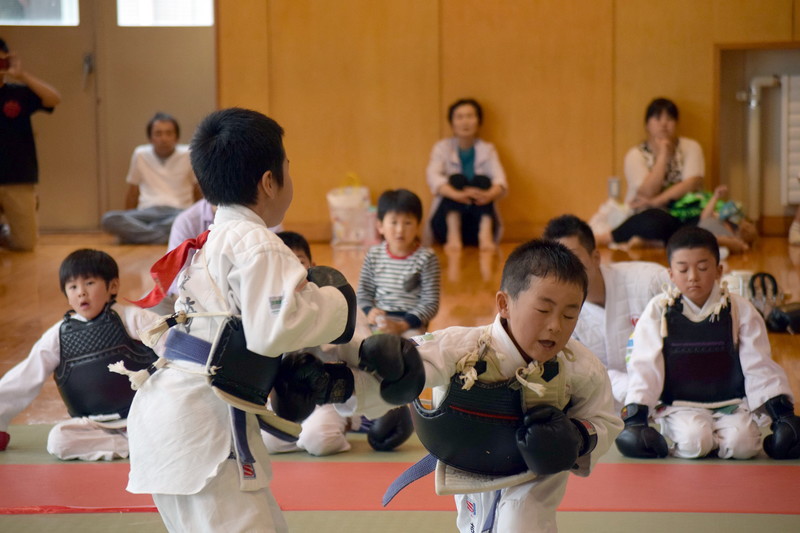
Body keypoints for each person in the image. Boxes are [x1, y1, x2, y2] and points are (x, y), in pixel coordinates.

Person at [125, 108, 423, 533]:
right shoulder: (256, 244)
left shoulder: (211, 243)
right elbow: (274, 331)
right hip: (204, 436)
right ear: (270, 181)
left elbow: (250, 338)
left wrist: (342, 381)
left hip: (171, 425)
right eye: (288, 168)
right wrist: (335, 304)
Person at [399, 240, 622, 532]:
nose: (556, 325)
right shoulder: (465, 346)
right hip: (472, 461)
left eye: (569, 315)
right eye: (544, 310)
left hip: (538, 469)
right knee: (476, 527)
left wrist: (579, 437)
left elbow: (604, 420)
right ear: (504, 304)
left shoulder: (581, 367)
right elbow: (418, 359)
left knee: (519, 522)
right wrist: (393, 362)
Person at [617, 226, 800, 460]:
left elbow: (758, 364)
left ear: (719, 270)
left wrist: (781, 414)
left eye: (703, 267)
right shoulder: (658, 310)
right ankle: (707, 438)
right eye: (683, 269)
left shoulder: (739, 309)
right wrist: (635, 418)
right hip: (680, 404)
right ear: (671, 274)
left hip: (731, 402)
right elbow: (645, 366)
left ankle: (721, 437)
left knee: (743, 446)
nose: (693, 276)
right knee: (696, 442)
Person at [262, 230, 415, 456]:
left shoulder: (336, 301)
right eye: (284, 265)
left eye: (299, 263)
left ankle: (352, 420)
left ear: (313, 265)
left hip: (331, 397)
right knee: (267, 442)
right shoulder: (266, 308)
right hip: (288, 398)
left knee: (318, 441)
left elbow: (364, 351)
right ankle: (318, 429)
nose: (293, 272)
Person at [0, 249, 162, 460]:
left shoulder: (132, 318)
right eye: (73, 286)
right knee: (58, 440)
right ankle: (134, 444)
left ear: (112, 286)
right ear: (66, 295)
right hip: (94, 424)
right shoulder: (58, 334)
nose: (81, 292)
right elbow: (25, 376)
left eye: (89, 283)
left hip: (144, 413)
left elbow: (175, 347)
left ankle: (146, 438)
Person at [543, 214, 670, 409]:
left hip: (671, 397)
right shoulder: (555, 316)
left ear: (595, 257)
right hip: (608, 409)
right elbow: (585, 372)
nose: (567, 269)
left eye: (574, 258)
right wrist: (635, 393)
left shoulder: (650, 281)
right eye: (559, 262)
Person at [597, 98, 705, 248]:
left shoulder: (691, 147)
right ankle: (608, 238)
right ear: (647, 124)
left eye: (669, 118)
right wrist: (663, 156)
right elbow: (647, 192)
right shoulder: (635, 154)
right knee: (653, 220)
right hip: (651, 215)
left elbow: (691, 183)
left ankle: (653, 242)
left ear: (676, 123)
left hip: (684, 212)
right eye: (657, 118)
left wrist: (656, 201)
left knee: (702, 223)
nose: (663, 124)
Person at [0, 36, 61, 251]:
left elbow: (53, 99)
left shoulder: (18, 92)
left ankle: (4, 234)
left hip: (18, 175)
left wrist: (21, 75)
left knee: (26, 244)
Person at [101, 112, 200, 244]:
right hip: (147, 212)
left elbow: (197, 189)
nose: (163, 138)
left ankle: (137, 236)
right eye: (158, 134)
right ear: (150, 138)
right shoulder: (140, 154)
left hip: (177, 212)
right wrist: (129, 216)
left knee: (192, 219)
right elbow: (133, 191)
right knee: (109, 218)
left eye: (169, 133)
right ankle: (164, 237)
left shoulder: (188, 154)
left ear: (176, 137)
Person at [426, 98, 507, 251]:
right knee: (456, 179)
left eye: (470, 116)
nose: (465, 122)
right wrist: (457, 194)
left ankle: (485, 235)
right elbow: (433, 178)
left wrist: (487, 195)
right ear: (452, 123)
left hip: (475, 222)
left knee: (482, 180)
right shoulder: (442, 148)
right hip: (445, 224)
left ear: (478, 121)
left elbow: (500, 180)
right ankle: (453, 235)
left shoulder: (487, 149)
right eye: (460, 117)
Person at [358, 188, 441, 337]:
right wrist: (369, 311)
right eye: (394, 222)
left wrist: (403, 325)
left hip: (410, 322)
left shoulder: (426, 257)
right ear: (380, 226)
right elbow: (363, 293)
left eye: (408, 223)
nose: (400, 230)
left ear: (418, 226)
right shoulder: (373, 255)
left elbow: (430, 303)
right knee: (360, 341)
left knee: (412, 348)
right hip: (380, 319)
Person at [697, 185, 758, 254]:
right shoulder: (720, 222)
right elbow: (705, 217)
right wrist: (716, 196)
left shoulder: (730, 234)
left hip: (702, 236)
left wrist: (716, 197)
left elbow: (704, 217)